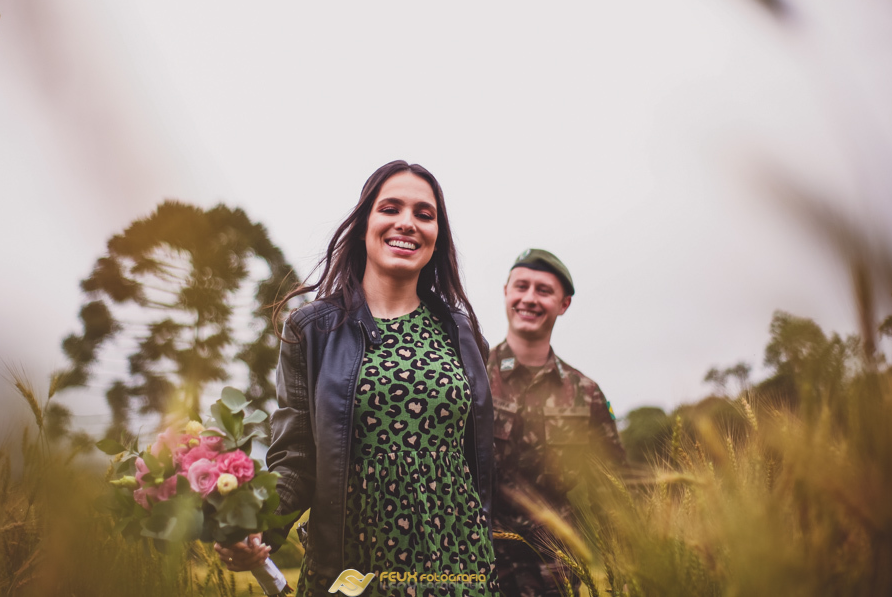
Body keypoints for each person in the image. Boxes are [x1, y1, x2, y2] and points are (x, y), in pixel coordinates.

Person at [216, 161, 499, 596]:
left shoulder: (463, 334)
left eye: (424, 214)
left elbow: (478, 460)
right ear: (366, 223)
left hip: (458, 567)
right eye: (391, 208)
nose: (407, 222)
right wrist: (257, 529)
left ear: (437, 235)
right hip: (352, 570)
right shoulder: (312, 330)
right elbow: (296, 458)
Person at [488, 249, 625, 597]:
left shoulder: (586, 393)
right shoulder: (469, 377)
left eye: (544, 290)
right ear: (506, 291)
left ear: (563, 304)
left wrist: (624, 568)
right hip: (478, 566)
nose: (529, 298)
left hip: (555, 574)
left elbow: (613, 489)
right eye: (521, 286)